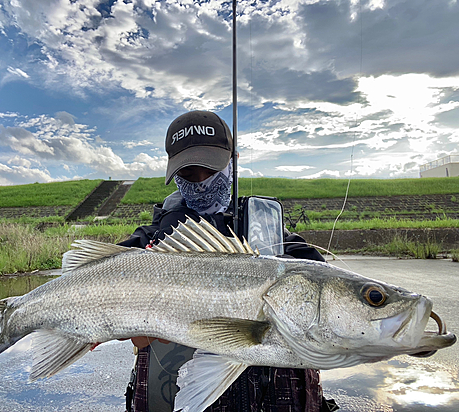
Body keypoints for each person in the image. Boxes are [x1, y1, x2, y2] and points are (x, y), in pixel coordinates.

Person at [119, 110, 335, 412]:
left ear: (234, 159)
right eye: (188, 174)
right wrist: (132, 329)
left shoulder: (278, 240)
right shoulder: (148, 242)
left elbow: (337, 311)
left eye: (210, 169)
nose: (201, 182)